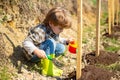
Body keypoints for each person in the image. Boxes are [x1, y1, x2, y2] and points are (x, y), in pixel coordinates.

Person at [22, 7, 72, 76]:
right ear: (51, 23)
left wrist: (66, 41)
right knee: (50, 42)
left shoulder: (53, 29)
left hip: (42, 52)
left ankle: (46, 62)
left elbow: (57, 39)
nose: (62, 30)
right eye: (60, 28)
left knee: (61, 48)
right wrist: (36, 51)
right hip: (32, 55)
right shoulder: (40, 31)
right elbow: (26, 42)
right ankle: (47, 69)